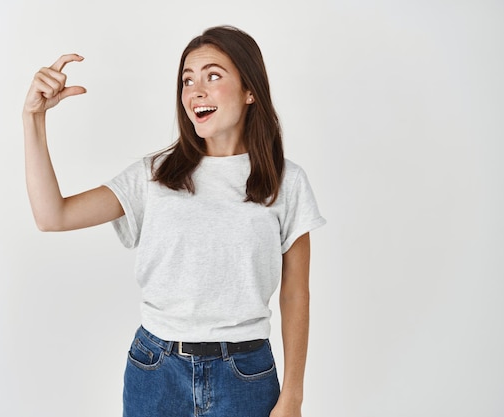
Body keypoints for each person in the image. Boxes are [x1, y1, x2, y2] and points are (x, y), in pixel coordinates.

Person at [23, 25, 326, 417]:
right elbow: (53, 216)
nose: (195, 91)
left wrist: (294, 396)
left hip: (245, 376)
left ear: (251, 91)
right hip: (156, 371)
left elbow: (295, 294)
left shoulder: (286, 181)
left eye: (213, 76)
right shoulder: (154, 175)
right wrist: (33, 119)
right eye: (187, 80)